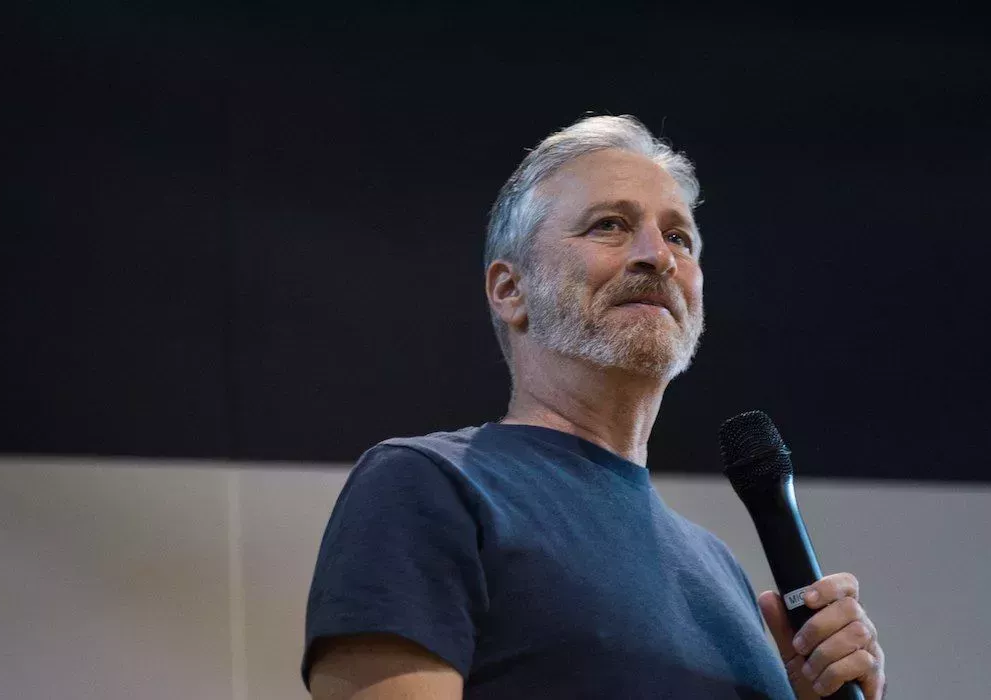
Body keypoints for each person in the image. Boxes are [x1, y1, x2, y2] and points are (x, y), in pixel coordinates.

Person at [301, 115, 886, 699]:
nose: (658, 257)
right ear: (510, 290)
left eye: (679, 238)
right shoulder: (426, 485)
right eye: (610, 225)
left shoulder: (721, 570)